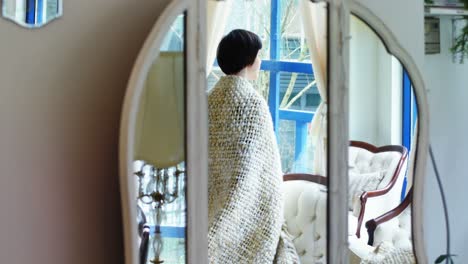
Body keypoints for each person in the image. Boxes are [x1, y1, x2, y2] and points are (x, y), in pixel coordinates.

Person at [208, 29, 300, 263]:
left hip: (211, 209)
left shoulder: (209, 100)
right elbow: (262, 168)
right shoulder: (252, 104)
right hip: (245, 212)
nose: (260, 61)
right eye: (258, 55)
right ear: (248, 59)